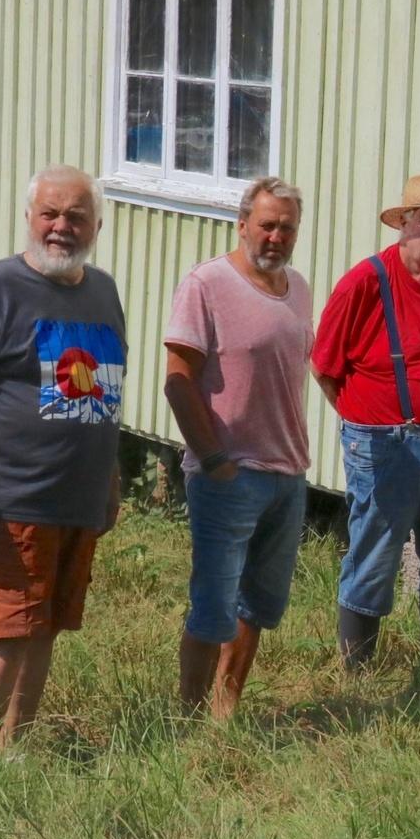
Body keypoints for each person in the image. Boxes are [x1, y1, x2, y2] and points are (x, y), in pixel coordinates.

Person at [0, 166, 125, 747]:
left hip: (76, 501)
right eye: (51, 214)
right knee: (7, 631)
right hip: (9, 499)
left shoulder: (103, 291)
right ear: (30, 219)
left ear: (97, 224)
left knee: (46, 628)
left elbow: (104, 394)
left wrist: (109, 480)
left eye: (76, 217)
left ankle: (13, 751)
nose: (62, 227)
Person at [312, 175, 420, 668]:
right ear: (402, 225)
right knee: (376, 557)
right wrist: (367, 426)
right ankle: (358, 670)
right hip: (389, 445)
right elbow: (325, 366)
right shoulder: (366, 281)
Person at [163, 177, 313, 718]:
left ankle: (224, 714)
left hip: (287, 473)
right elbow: (178, 380)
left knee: (258, 606)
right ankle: (185, 720)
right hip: (229, 475)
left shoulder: (298, 287)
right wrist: (215, 459)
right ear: (243, 223)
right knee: (214, 607)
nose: (276, 236)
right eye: (267, 225)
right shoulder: (207, 283)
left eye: (287, 227)